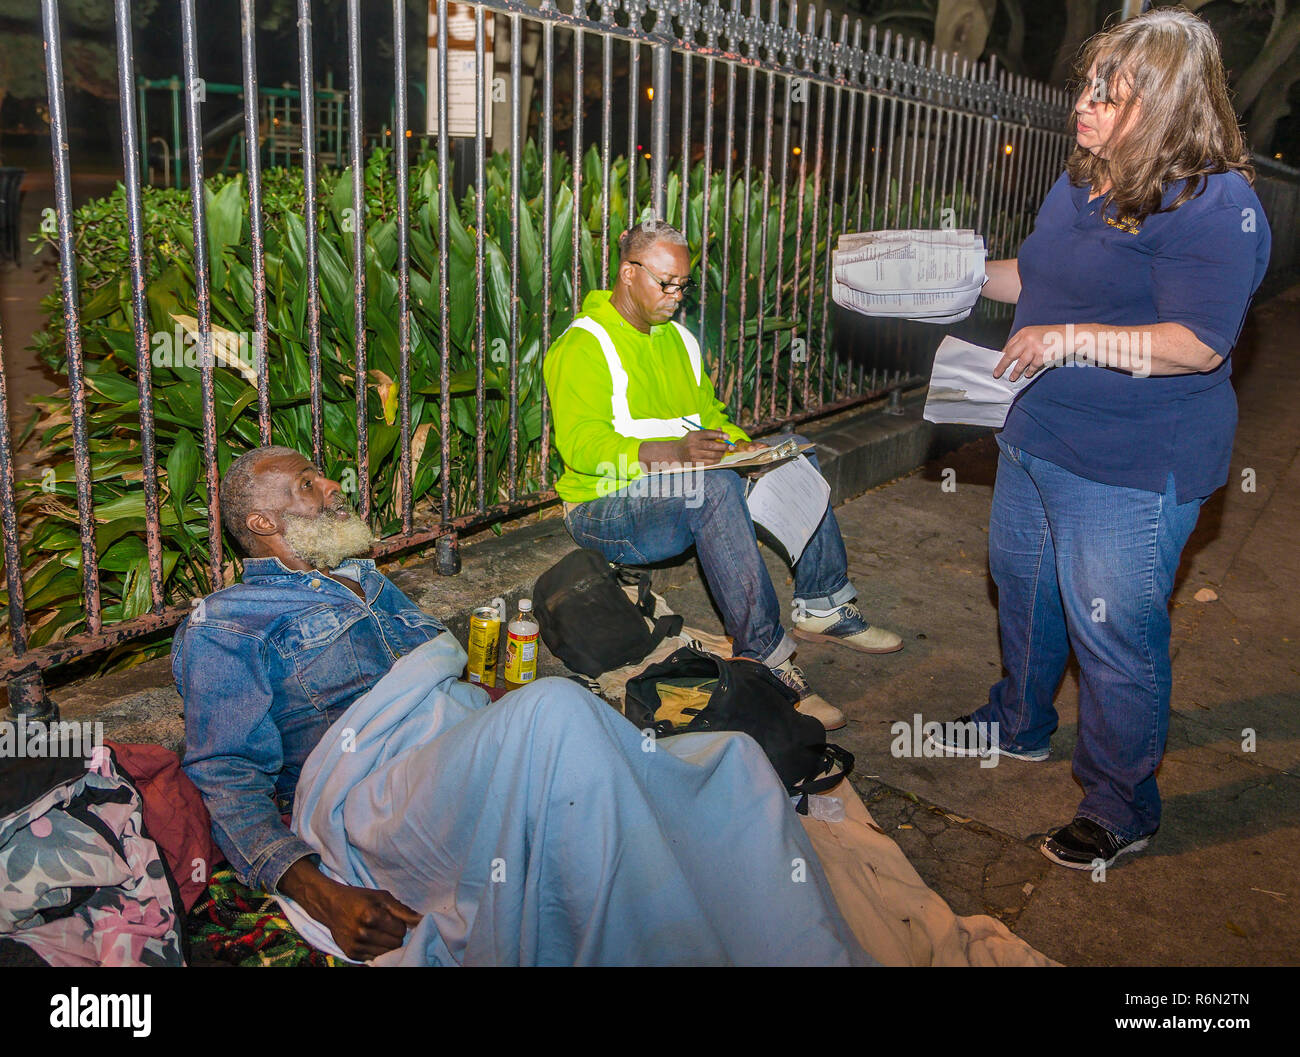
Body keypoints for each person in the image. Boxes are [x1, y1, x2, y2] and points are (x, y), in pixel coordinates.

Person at [174, 445, 869, 965]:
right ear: (260, 520)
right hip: (373, 796)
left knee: (734, 761)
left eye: (322, 475)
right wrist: (318, 889)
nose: (332, 487)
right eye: (307, 485)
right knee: (555, 712)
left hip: (462, 748)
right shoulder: (227, 620)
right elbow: (223, 772)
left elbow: (446, 680)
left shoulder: (365, 580)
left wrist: (499, 703)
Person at [929, 9, 1271, 870]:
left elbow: (1199, 343)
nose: (1082, 106)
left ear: (1164, 107)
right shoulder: (1083, 179)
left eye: (1108, 96)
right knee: (1024, 585)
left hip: (1132, 459)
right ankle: (1021, 722)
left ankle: (1122, 801)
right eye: (1087, 87)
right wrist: (958, 273)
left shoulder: (1216, 203)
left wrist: (1072, 337)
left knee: (1111, 630)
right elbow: (1036, 277)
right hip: (1037, 431)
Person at [543, 220, 903, 732]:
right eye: (665, 283)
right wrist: (675, 453)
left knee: (794, 451)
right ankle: (766, 664)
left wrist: (741, 446)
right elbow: (583, 449)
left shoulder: (678, 340)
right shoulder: (583, 346)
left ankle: (823, 604)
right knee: (711, 486)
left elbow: (708, 416)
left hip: (675, 487)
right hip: (605, 507)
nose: (676, 296)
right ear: (627, 273)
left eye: (683, 285)